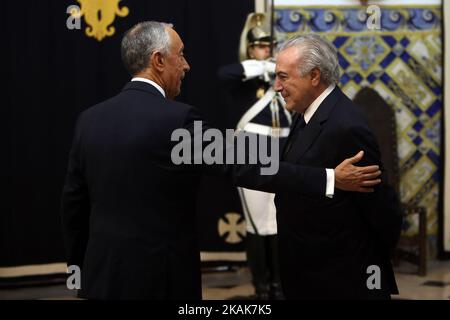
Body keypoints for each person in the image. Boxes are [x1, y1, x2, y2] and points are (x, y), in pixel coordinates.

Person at [60, 21, 382, 300]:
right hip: (162, 280)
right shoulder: (175, 121)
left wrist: (83, 269)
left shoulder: (89, 120)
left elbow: (74, 204)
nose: (186, 65)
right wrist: (329, 179)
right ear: (158, 61)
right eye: (180, 55)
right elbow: (246, 165)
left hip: (101, 277)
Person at [273, 34, 403, 299]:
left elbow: (381, 209)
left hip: (340, 278)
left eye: (284, 77)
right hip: (309, 268)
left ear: (314, 76)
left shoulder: (346, 125)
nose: (277, 86)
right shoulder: (307, 112)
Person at [218, 16, 288, 300]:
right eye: (260, 46)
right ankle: (262, 289)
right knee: (258, 222)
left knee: (276, 220)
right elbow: (224, 74)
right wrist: (263, 67)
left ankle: (278, 286)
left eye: (270, 46)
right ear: (250, 50)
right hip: (252, 150)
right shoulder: (246, 76)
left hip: (281, 149)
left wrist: (275, 71)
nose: (266, 50)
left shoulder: (279, 78)